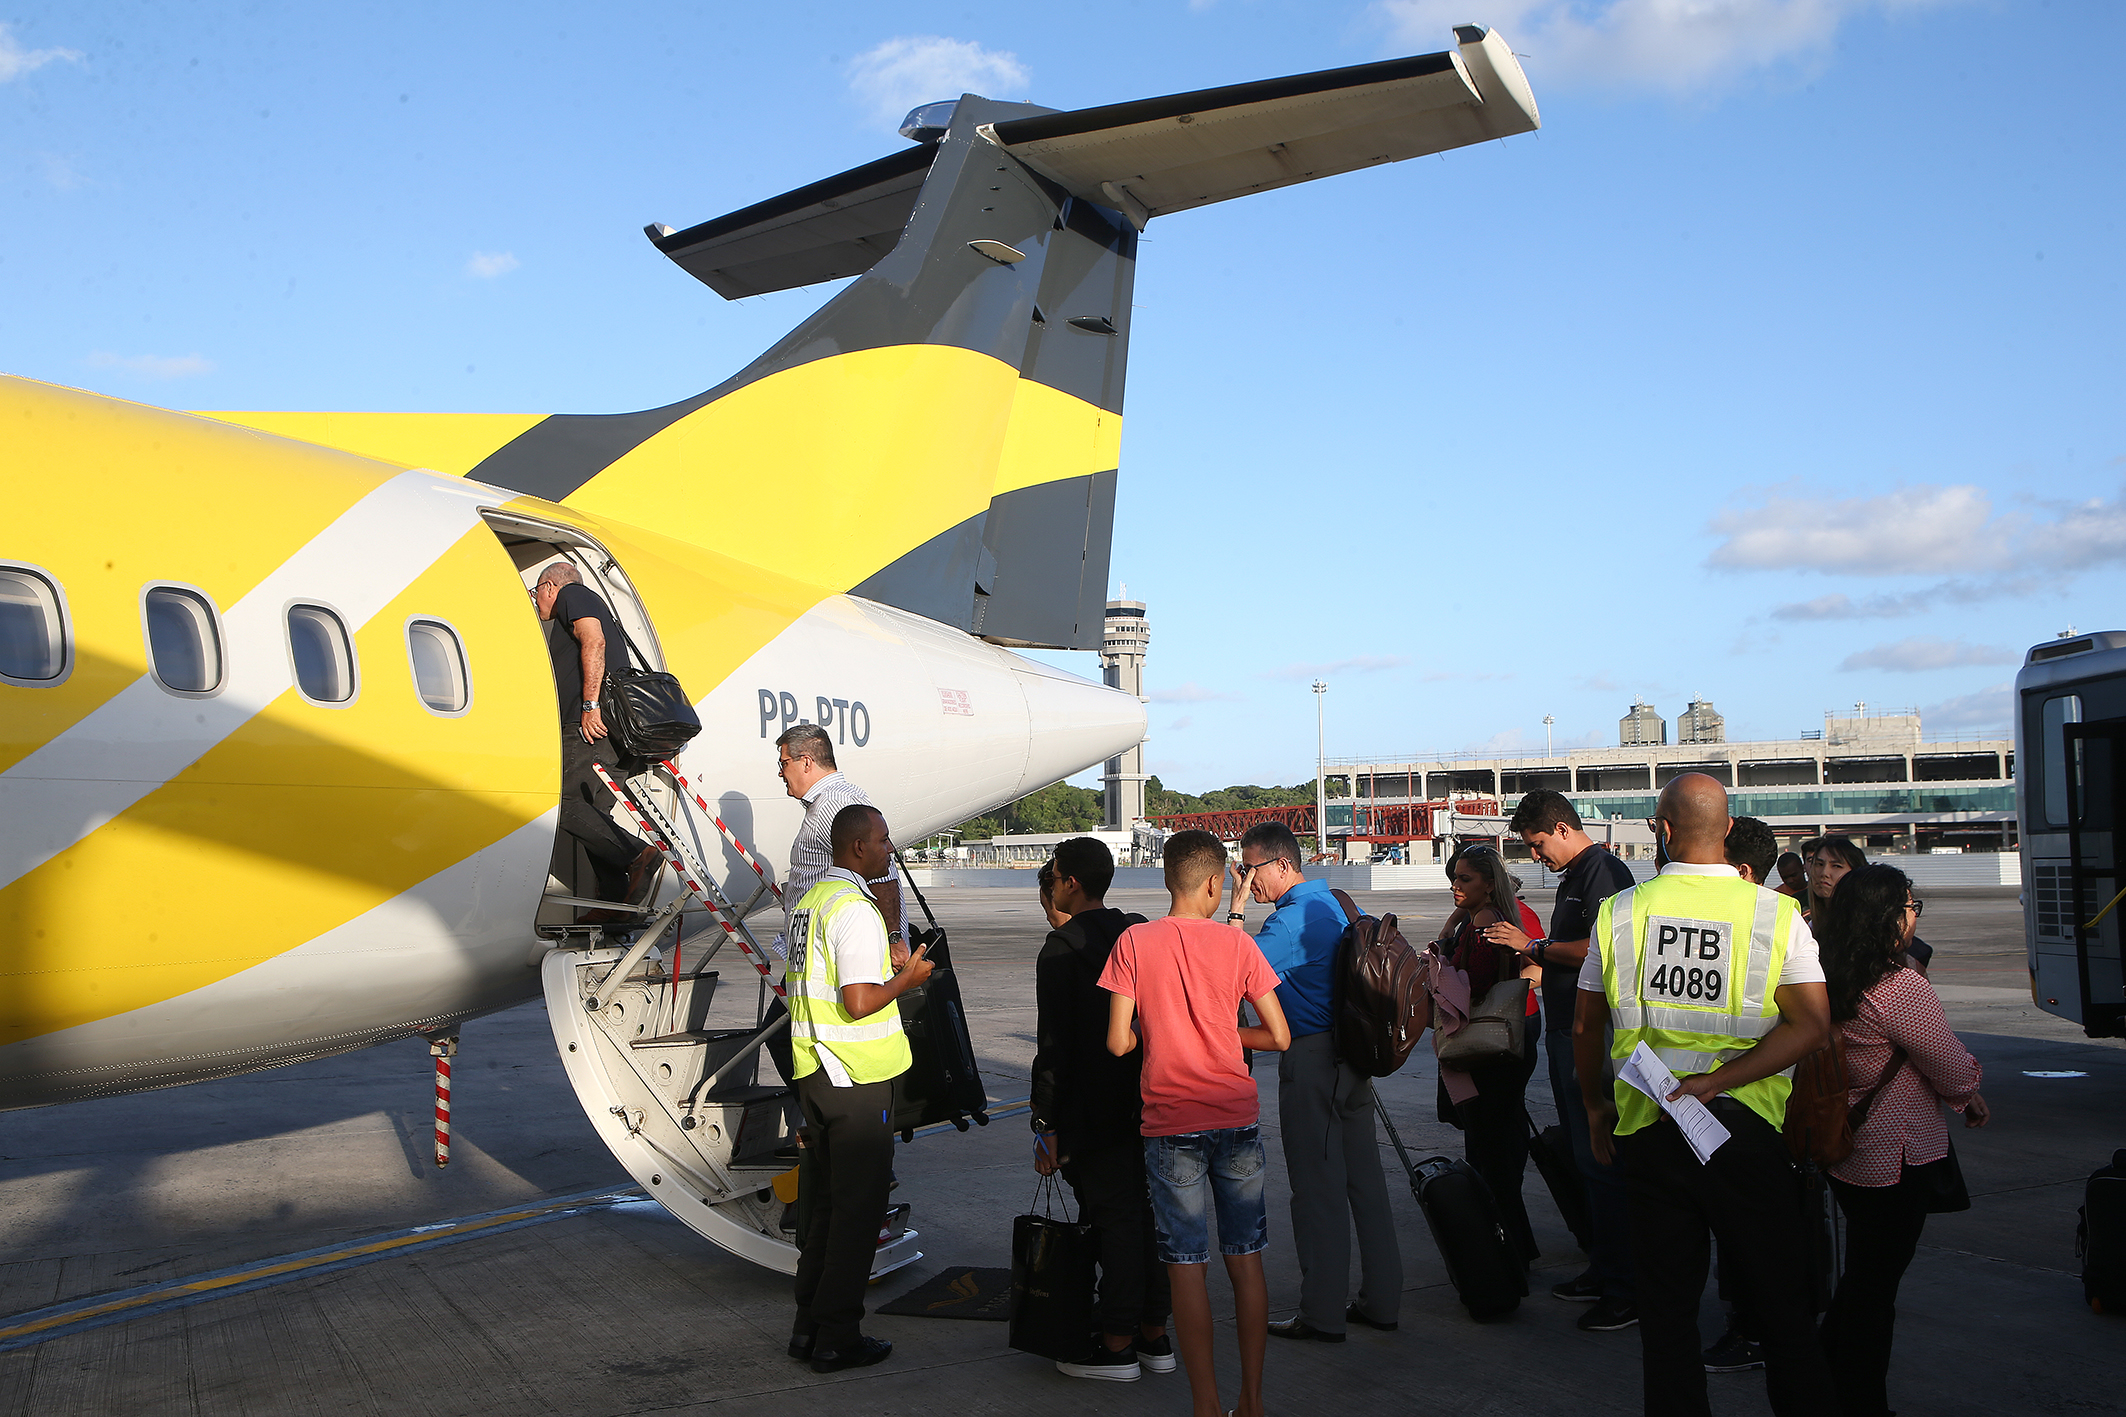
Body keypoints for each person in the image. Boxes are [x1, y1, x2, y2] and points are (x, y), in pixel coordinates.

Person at [1575, 773, 1837, 1417]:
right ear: (1726, 831)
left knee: (1667, 1318)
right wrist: (1719, 1081)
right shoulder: (1776, 913)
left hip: (1651, 1132)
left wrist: (1594, 1108)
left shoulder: (1620, 913)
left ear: (1660, 832)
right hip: (1747, 1136)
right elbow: (1812, 1025)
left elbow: (1586, 1025)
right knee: (1782, 1312)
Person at [1101, 830, 1291, 1417]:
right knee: (1247, 1256)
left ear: (1167, 880)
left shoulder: (1134, 941)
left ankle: (1205, 1405)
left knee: (1186, 1264)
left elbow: (1116, 1042)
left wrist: (1157, 1033)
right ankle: (1252, 1401)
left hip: (1169, 1122)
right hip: (1234, 1116)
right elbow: (1280, 1036)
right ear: (1215, 884)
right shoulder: (1237, 947)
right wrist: (1222, 1034)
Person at [1817, 863, 1989, 1417]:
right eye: (1911, 906)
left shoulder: (1827, 973)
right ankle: (1861, 1400)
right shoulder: (1898, 986)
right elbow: (1946, 1061)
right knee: (1876, 1286)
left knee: (1864, 1274)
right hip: (1898, 1153)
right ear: (1888, 918)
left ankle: (1826, 1370)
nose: (1914, 916)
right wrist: (1969, 1092)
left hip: (1847, 1147)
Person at [1230, 821, 1401, 1342]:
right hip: (1353, 1059)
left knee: (1315, 1190)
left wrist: (1235, 910)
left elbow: (1225, 970)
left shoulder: (1286, 925)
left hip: (1312, 1059)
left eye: (1250, 868)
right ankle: (1382, 1300)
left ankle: (1323, 1312)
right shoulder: (1338, 904)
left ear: (1283, 865)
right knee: (1365, 1183)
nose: (1246, 879)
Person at [785, 804, 933, 1373]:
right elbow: (857, 1001)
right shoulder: (853, 909)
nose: (888, 847)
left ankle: (808, 1327)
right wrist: (908, 978)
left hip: (816, 1073)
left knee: (823, 1207)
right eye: (881, 839)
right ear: (855, 849)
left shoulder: (812, 903)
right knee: (856, 1212)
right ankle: (837, 1336)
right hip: (855, 1077)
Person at [1487, 789, 1640, 1331]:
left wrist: (1531, 947)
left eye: (1537, 845)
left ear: (1560, 826)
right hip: (1567, 1029)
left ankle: (1625, 1286)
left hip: (1590, 1035)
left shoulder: (1602, 871)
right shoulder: (1578, 877)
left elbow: (1605, 948)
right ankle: (1605, 1268)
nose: (1536, 857)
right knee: (1586, 1155)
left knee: (1602, 1156)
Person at [1028, 837, 1169, 1381]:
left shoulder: (1062, 949)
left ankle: (1116, 1345)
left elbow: (1054, 1047)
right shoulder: (1136, 930)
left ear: (1070, 884)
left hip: (1092, 1108)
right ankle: (1153, 1333)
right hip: (1148, 1096)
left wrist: (1045, 1124)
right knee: (1144, 1216)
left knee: (1112, 1222)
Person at [1699, 814, 1783, 1372]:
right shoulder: (1779, 920)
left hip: (1746, 1108)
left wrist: (1714, 1081)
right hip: (1754, 1108)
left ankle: (1757, 1330)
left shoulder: (1767, 922)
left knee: (1750, 1237)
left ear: (1743, 870)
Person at [532, 562, 660, 923]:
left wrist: (589, 706)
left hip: (592, 726)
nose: (535, 601)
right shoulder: (586, 606)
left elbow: (594, 640)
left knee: (565, 804)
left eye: (535, 592)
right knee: (593, 814)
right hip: (615, 732)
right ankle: (615, 902)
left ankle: (637, 855)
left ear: (550, 587)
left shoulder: (574, 594)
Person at [1437, 842, 1543, 1269]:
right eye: (1453, 879)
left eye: (1465, 879)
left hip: (1488, 1050)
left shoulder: (1486, 921)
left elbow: (1475, 980)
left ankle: (1507, 1250)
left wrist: (1442, 962)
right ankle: (1513, 1246)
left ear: (1488, 883)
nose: (1455, 887)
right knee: (1494, 1149)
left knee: (1491, 1154)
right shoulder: (1486, 916)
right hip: (1504, 1045)